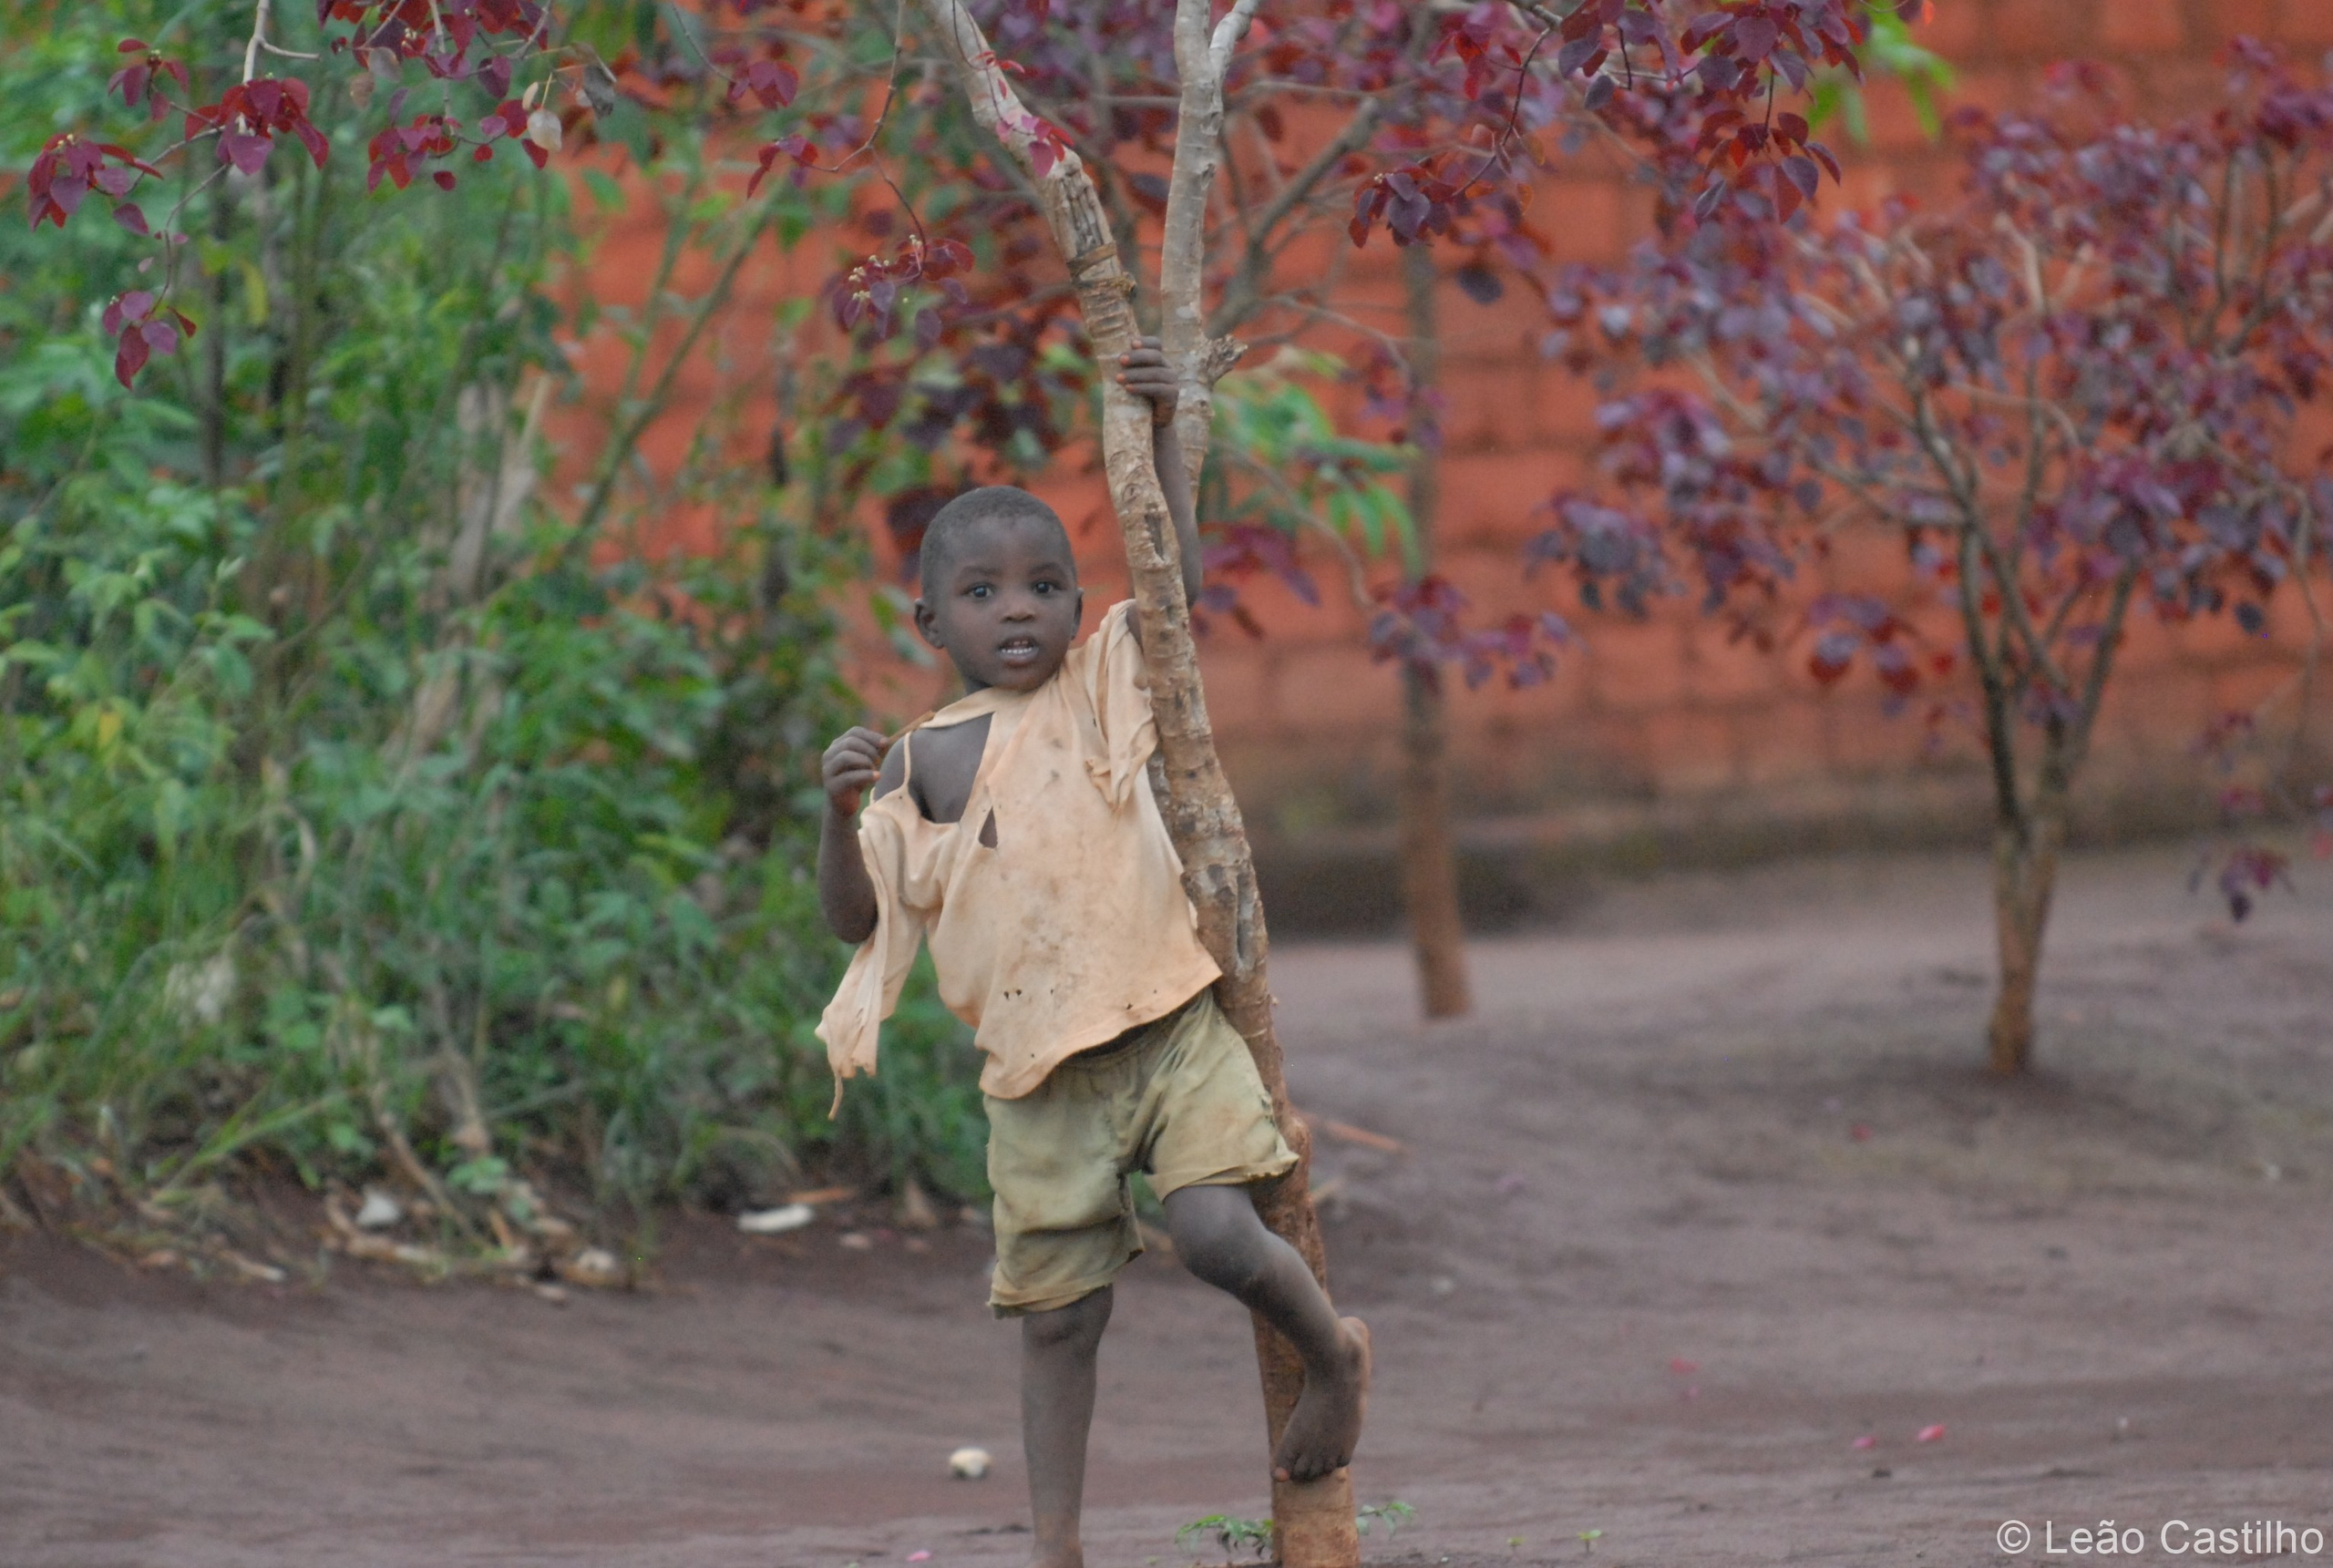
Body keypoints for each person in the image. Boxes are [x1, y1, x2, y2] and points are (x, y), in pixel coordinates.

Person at [815, 338, 1368, 1568]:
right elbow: (856, 922)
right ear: (931, 621)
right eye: (984, 592)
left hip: (1169, 1025)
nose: (1019, 609)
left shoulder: (1108, 682)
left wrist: (1168, 426)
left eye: (1045, 586)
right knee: (1057, 1321)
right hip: (1036, 1077)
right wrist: (834, 812)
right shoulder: (915, 765)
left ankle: (1332, 1351)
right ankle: (1055, 1545)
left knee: (1219, 1236)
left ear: (1075, 601)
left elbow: (1166, 576)